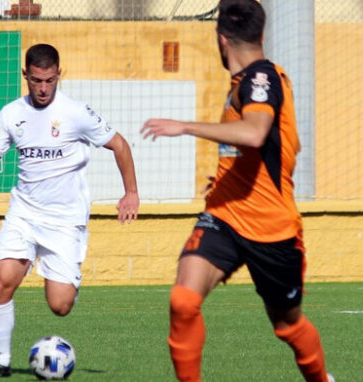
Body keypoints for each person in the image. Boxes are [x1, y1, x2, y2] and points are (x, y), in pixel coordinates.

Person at [141, 1, 332, 381]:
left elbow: (254, 133)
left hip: (271, 229)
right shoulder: (251, 80)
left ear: (221, 39)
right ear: (261, 34)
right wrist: (229, 178)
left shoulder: (260, 80)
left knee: (288, 326)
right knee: (183, 301)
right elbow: (280, 146)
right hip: (225, 217)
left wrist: (184, 126)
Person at [0, 43, 139, 378]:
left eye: (49, 81)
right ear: (25, 75)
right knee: (3, 280)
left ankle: (65, 280)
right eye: (36, 80)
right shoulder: (11, 114)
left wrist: (131, 193)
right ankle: (1, 361)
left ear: (59, 75)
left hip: (65, 221)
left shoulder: (76, 113)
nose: (42, 88)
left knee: (60, 306)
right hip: (24, 213)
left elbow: (120, 144)